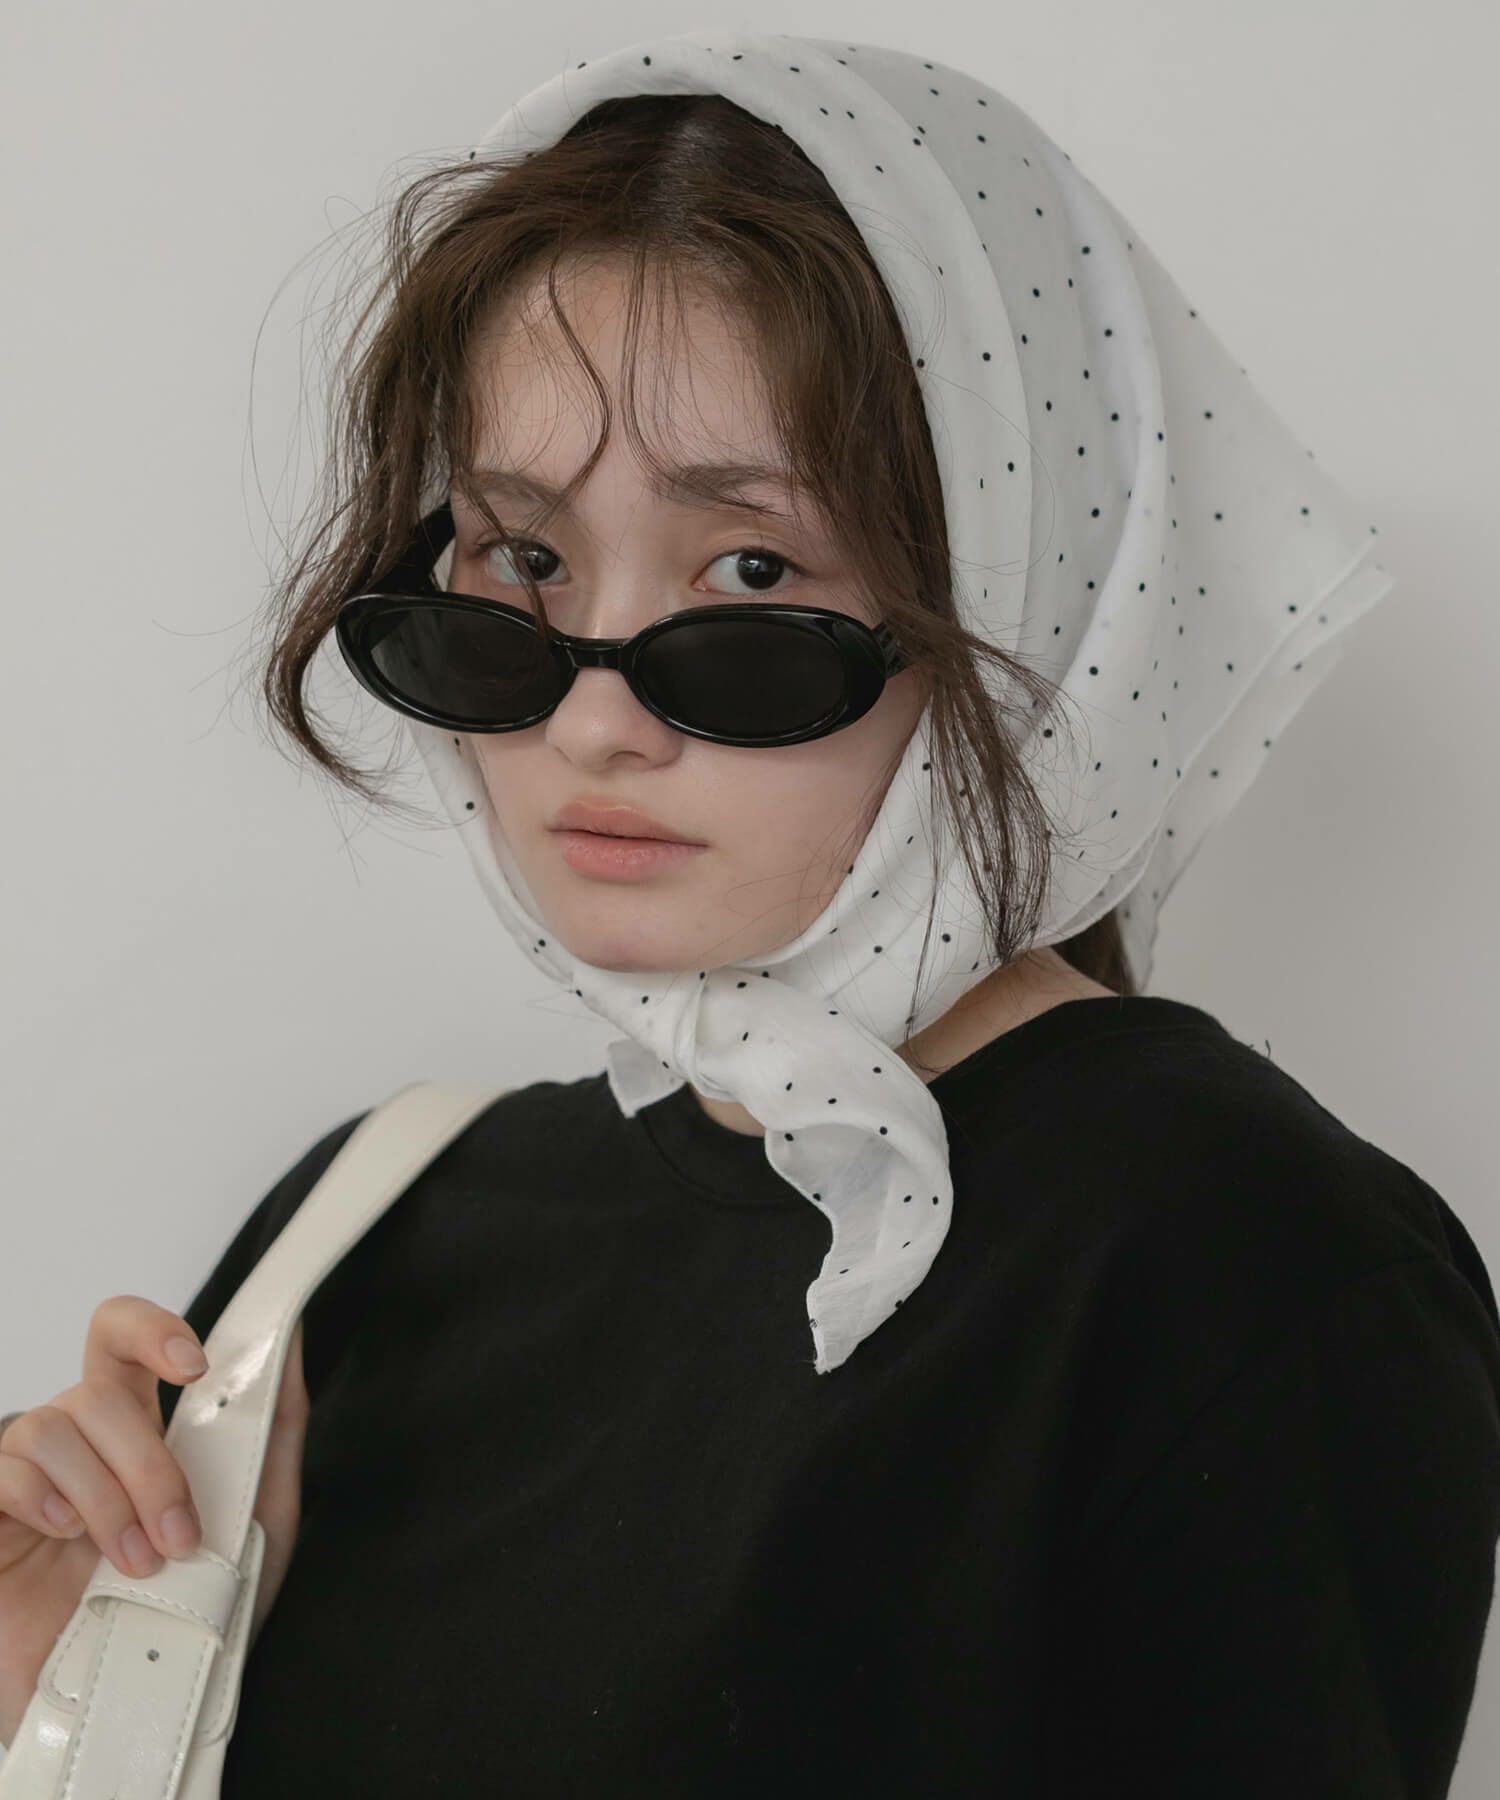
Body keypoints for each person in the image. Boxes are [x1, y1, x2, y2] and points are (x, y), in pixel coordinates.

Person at [3, 31, 1498, 1797]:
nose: (591, 722)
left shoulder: (1233, 1252)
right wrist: (63, 1704)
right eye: (523, 560)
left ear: (1034, 593)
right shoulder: (380, 1232)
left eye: (752, 570)